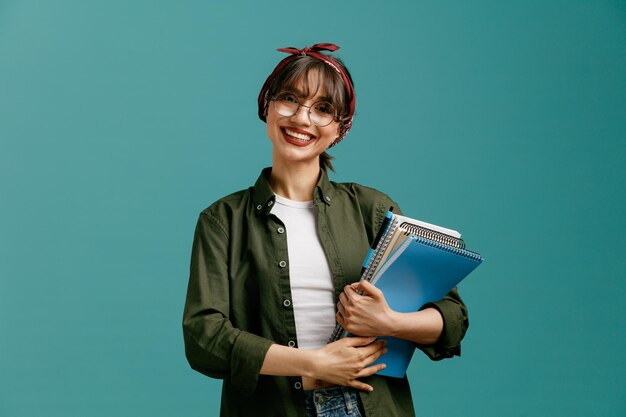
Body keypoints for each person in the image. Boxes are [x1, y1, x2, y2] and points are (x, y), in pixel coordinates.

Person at [182, 43, 468, 417]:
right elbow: (204, 338)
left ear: (339, 129)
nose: (302, 119)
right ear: (266, 106)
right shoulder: (223, 221)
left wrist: (390, 322)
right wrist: (312, 363)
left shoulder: (372, 209)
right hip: (276, 408)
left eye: (322, 109)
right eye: (289, 99)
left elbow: (453, 315)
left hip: (371, 406)